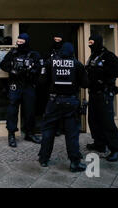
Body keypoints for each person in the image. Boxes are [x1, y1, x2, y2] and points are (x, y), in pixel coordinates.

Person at [38, 42, 89, 172]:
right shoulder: (77, 64)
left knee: (48, 130)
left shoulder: (50, 62)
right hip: (71, 102)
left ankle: (44, 159)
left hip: (54, 101)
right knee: (72, 134)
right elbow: (85, 84)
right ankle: (74, 163)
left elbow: (42, 82)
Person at [85, 33, 118, 162]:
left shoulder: (109, 56)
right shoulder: (92, 57)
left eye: (92, 43)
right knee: (93, 120)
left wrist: (100, 72)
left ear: (98, 42)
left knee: (107, 123)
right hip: (94, 94)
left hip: (104, 94)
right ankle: (99, 143)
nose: (90, 45)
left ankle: (116, 149)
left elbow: (116, 72)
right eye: (89, 43)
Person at [0, 33, 42, 147]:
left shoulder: (34, 54)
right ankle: (11, 134)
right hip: (15, 84)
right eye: (18, 42)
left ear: (26, 42)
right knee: (12, 110)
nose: (19, 44)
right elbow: (3, 65)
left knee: (30, 110)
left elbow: (39, 69)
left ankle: (30, 133)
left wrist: (30, 71)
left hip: (28, 85)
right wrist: (13, 69)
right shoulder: (13, 53)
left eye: (22, 42)